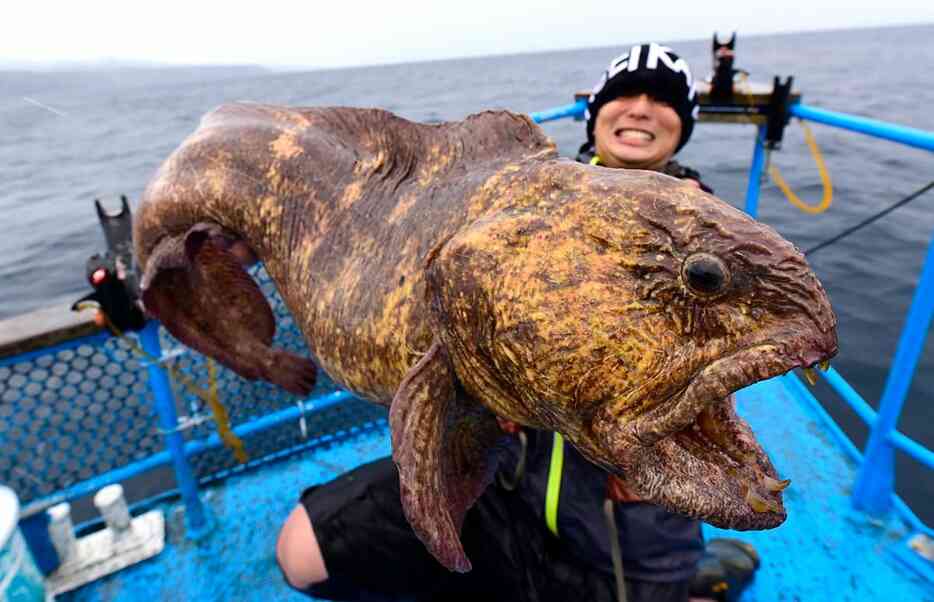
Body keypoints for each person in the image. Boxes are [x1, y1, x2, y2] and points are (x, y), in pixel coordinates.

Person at [276, 43, 758, 602]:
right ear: (596, 112)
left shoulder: (715, 259)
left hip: (619, 539)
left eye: (663, 100)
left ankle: (700, 582)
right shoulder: (520, 207)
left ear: (684, 128)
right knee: (302, 550)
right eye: (625, 93)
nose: (641, 108)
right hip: (508, 483)